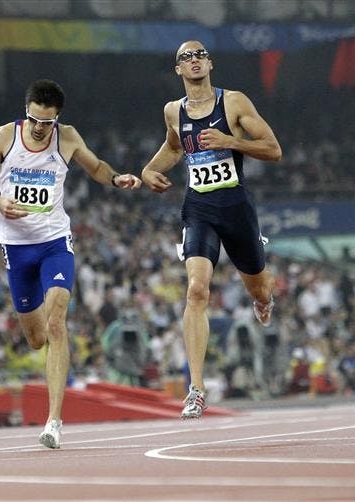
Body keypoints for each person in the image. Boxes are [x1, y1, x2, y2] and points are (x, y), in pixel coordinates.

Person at [0, 79, 141, 448]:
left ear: (57, 118)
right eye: (33, 120)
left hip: (54, 242)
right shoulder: (4, 137)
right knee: (35, 338)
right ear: (26, 111)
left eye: (46, 123)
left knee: (57, 322)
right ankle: (50, 357)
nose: (38, 128)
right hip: (16, 247)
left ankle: (53, 422)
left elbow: (96, 167)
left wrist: (116, 177)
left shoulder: (68, 138)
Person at [140, 41, 282, 419]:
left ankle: (263, 300)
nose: (194, 60)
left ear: (210, 63)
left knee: (259, 287)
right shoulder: (173, 111)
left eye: (199, 54)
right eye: (185, 57)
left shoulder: (233, 103)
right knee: (196, 290)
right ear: (178, 70)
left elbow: (273, 149)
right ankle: (197, 389)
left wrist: (230, 141)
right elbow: (174, 147)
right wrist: (149, 170)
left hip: (236, 208)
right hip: (198, 208)